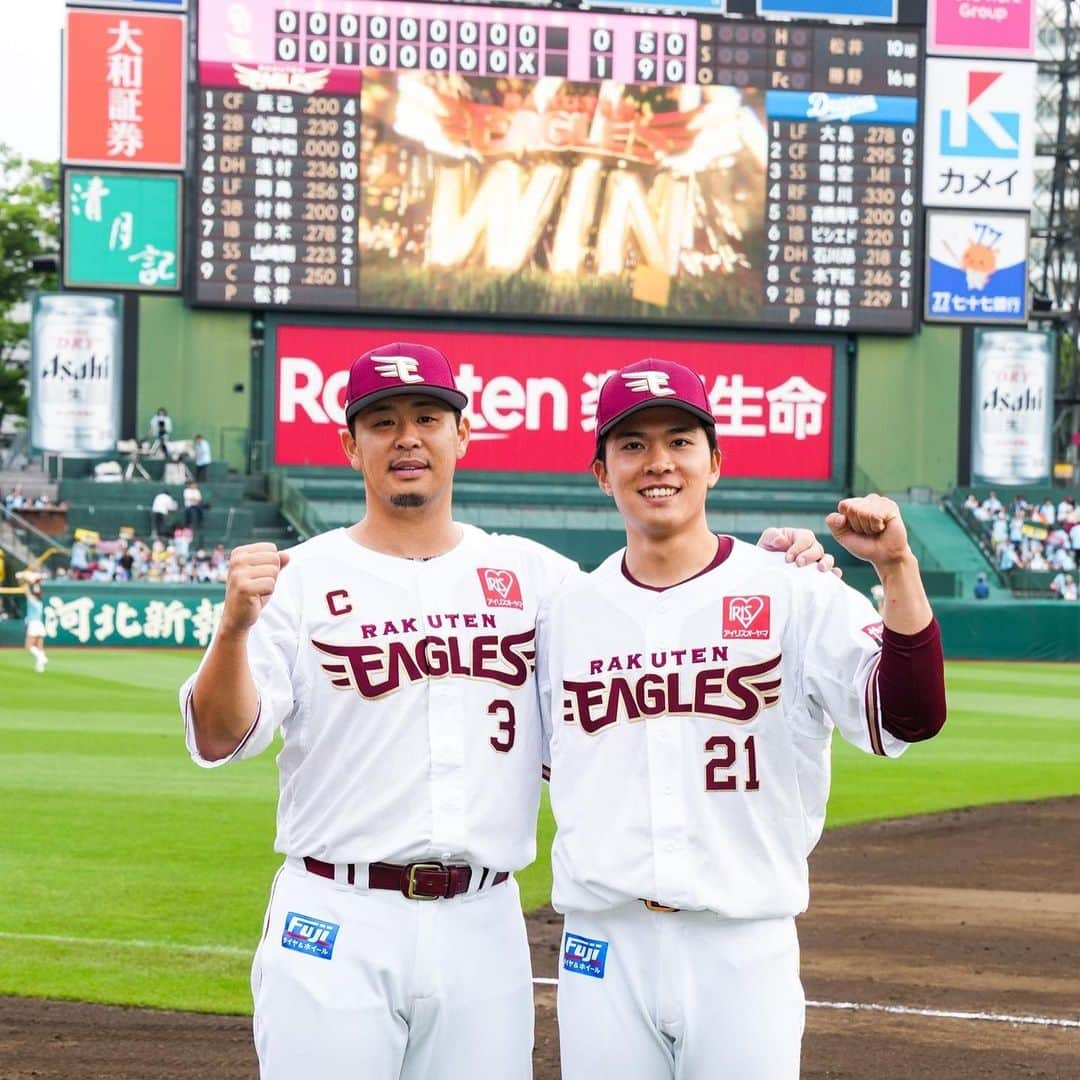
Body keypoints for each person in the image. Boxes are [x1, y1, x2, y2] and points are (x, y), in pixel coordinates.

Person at [179, 343, 835, 1080]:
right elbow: (218, 735)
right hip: (337, 913)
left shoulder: (538, 580)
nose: (407, 438)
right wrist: (233, 629)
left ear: (462, 434)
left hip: (484, 920)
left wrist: (785, 564)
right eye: (383, 421)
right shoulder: (298, 579)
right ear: (349, 444)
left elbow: (660, 601)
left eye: (428, 417)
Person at [536, 357, 947, 1080]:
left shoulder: (792, 592)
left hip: (742, 941)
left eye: (679, 441)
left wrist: (897, 568)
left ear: (715, 463)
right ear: (602, 472)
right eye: (632, 445)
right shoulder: (565, 614)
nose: (657, 462)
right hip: (602, 946)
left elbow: (909, 716)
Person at [21, 576, 48, 673]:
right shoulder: (39, 603)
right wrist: (36, 582)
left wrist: (24, 580)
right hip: (40, 624)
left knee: (29, 646)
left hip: (33, 624)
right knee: (39, 646)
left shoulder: (32, 601)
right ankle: (40, 667)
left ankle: (42, 657)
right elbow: (35, 590)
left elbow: (26, 591)